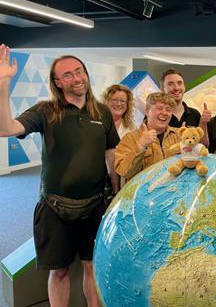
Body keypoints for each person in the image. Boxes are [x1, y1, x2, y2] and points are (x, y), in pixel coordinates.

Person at [0, 44, 119, 307]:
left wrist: (117, 198)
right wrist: (3, 82)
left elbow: (111, 158)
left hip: (96, 204)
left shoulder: (103, 112)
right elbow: (5, 128)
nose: (76, 78)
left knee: (92, 267)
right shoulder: (46, 111)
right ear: (57, 82)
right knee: (60, 271)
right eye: (67, 75)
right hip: (55, 206)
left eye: (79, 71)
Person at [115, 92, 181, 181]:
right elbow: (124, 172)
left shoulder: (179, 135)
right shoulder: (130, 138)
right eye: (159, 108)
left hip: (175, 192)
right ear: (147, 111)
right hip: (145, 193)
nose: (164, 113)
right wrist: (141, 146)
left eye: (168, 109)